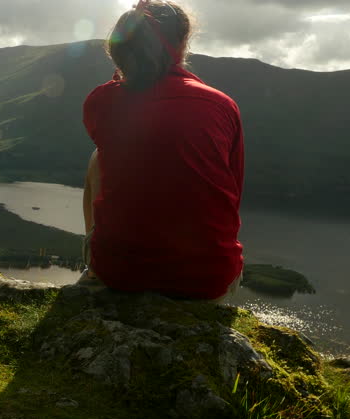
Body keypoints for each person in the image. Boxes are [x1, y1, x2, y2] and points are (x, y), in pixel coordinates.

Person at [81, 0, 244, 301]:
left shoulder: (101, 102)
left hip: (120, 273)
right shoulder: (221, 105)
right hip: (207, 280)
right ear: (182, 44)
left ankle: (94, 268)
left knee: (98, 158)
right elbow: (233, 187)